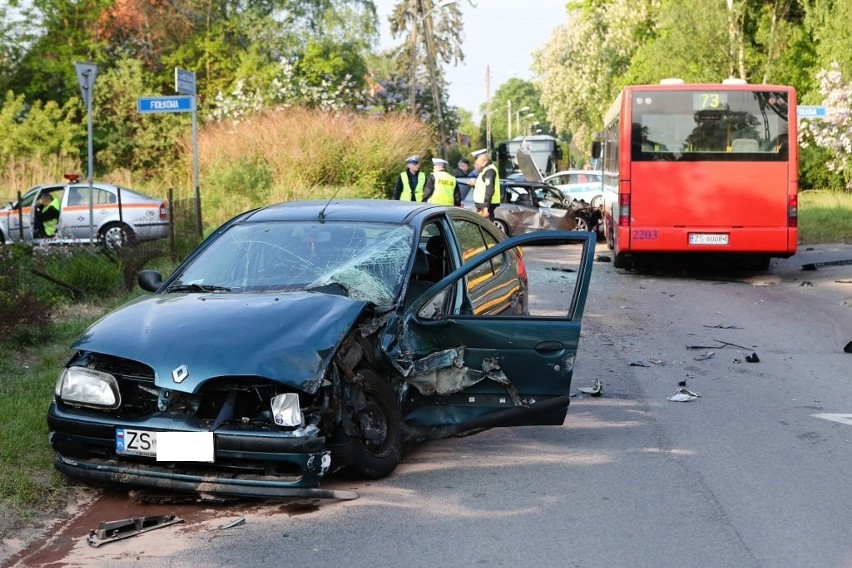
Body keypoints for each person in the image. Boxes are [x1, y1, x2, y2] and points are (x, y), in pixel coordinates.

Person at [471, 148, 500, 221]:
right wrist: (475, 184)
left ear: (485, 161)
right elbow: (484, 186)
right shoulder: (485, 170)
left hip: (485, 205)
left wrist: (486, 208)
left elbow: (489, 189)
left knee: (486, 228)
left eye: (478, 160)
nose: (476, 162)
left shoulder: (489, 171)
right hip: (483, 205)